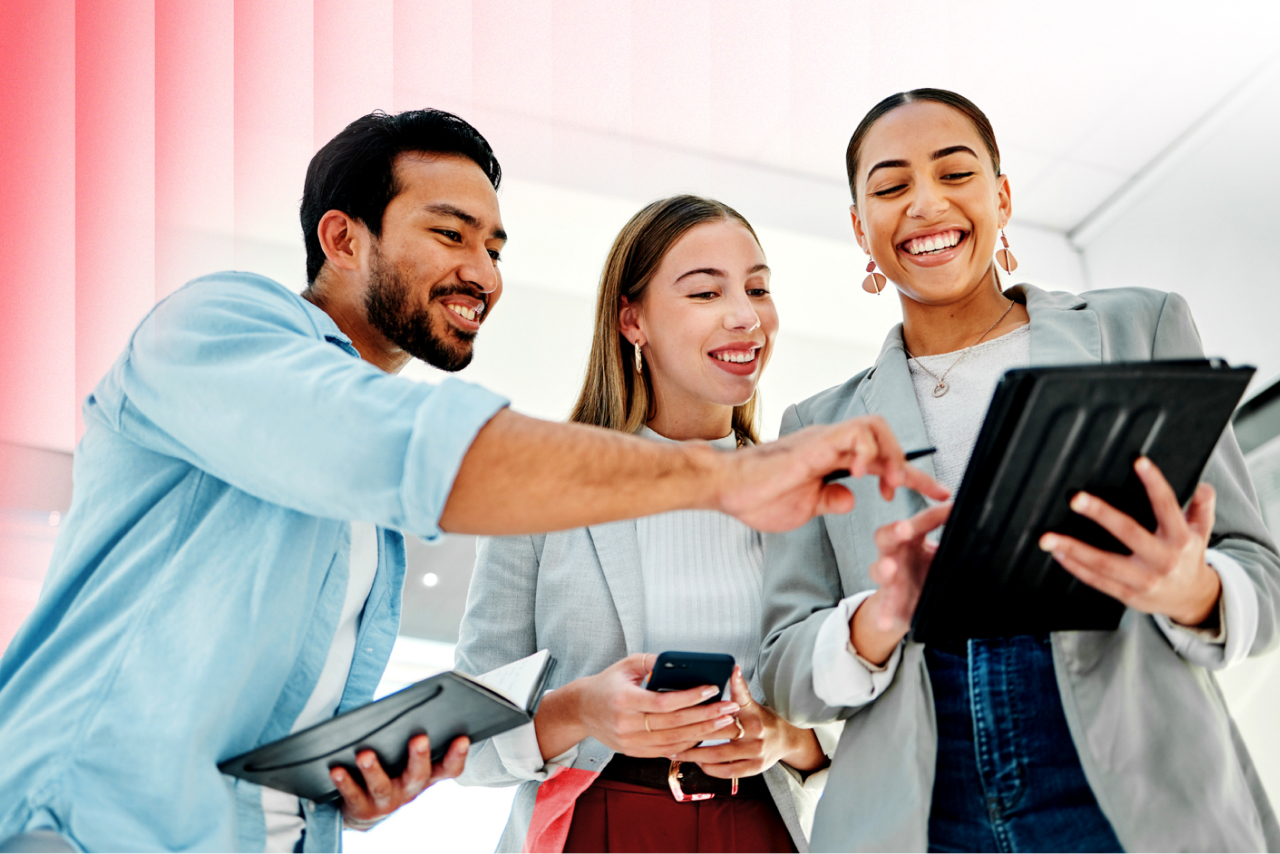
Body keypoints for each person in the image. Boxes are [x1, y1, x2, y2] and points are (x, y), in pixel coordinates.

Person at [0, 109, 934, 854]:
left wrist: (367, 782)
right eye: (450, 234)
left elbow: (306, 720)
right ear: (342, 238)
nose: (482, 273)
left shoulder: (366, 526)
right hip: (81, 826)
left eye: (494, 247)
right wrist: (718, 478)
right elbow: (414, 452)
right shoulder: (221, 325)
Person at [759, 89, 1280, 853]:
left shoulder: (1139, 327)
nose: (926, 204)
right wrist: (879, 617)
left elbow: (1262, 576)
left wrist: (1193, 589)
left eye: (955, 174)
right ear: (860, 227)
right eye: (892, 186)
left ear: (1001, 198)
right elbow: (782, 670)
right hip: (926, 812)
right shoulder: (816, 428)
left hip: (1132, 786)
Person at [454, 195, 929, 853]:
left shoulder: (809, 494)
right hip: (595, 826)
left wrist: (784, 737)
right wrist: (582, 710)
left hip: (762, 827)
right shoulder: (540, 488)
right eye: (706, 292)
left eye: (757, 289)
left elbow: (871, 714)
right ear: (633, 319)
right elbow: (469, 738)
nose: (745, 317)